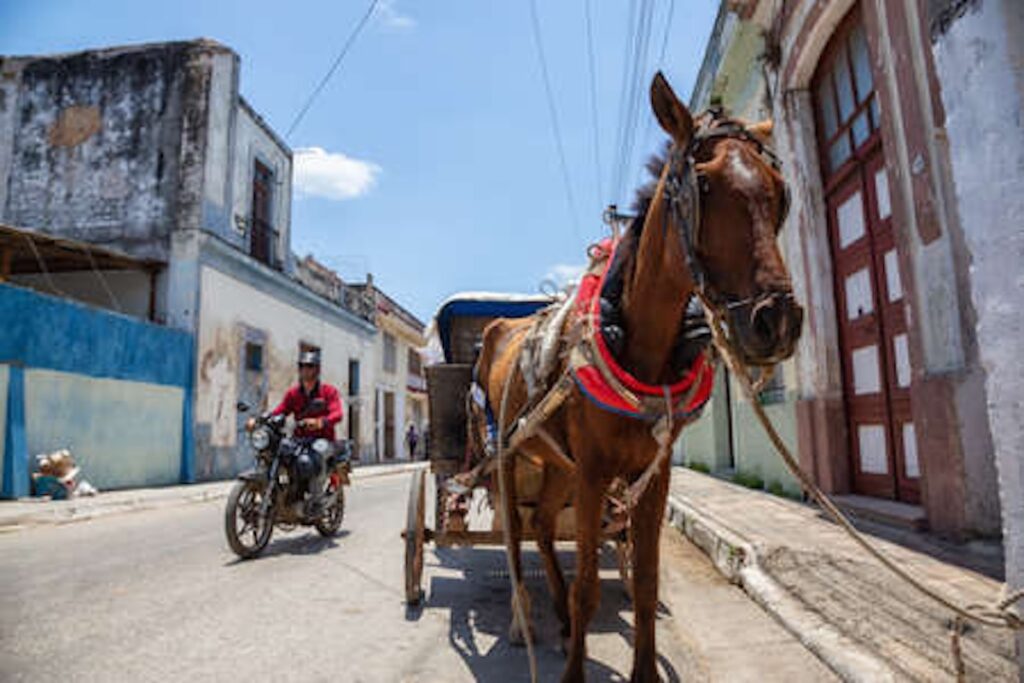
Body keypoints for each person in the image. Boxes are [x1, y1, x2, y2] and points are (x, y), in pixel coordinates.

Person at [267, 350, 343, 515]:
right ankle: (289, 494)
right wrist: (263, 419)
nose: (306, 370)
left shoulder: (329, 392)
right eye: (302, 366)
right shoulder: (293, 393)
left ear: (317, 370)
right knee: (281, 453)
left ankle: (316, 502)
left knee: (312, 458)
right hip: (300, 439)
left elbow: (338, 413)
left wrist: (320, 422)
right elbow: (281, 410)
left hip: (323, 439)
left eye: (310, 367)